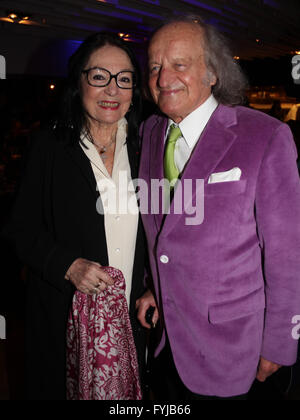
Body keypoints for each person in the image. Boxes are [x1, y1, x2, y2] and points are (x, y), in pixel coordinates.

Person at [136, 15, 300, 400]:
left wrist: (278, 343)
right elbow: (161, 230)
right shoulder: (151, 132)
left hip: (235, 351)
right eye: (156, 66)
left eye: (179, 64)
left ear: (212, 72)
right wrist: (153, 288)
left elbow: (288, 253)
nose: (163, 78)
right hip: (167, 345)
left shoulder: (264, 135)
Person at [2, 32, 147, 400]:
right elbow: (19, 229)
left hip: (132, 319)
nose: (112, 90)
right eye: (99, 76)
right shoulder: (50, 146)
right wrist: (68, 265)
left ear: (134, 89)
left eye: (124, 78)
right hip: (65, 316)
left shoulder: (148, 145)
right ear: (79, 82)